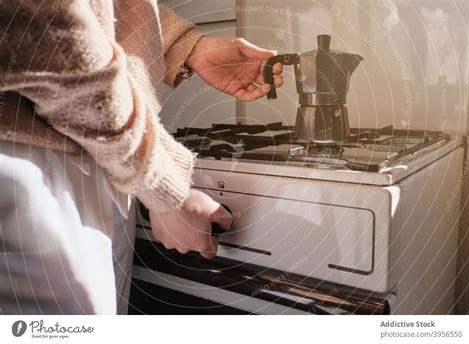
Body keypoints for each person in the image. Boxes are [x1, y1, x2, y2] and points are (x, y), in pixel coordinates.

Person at [0, 1, 283, 314]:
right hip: (36, 166)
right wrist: (164, 185)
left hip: (103, 151)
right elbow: (52, 36)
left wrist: (186, 47)